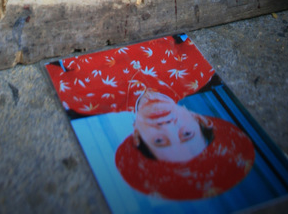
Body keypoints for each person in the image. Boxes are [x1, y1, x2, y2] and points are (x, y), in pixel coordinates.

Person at [46, 36, 255, 200]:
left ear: (137, 136)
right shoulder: (197, 70)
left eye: (160, 141)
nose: (167, 127)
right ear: (199, 120)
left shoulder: (82, 100)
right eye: (186, 133)